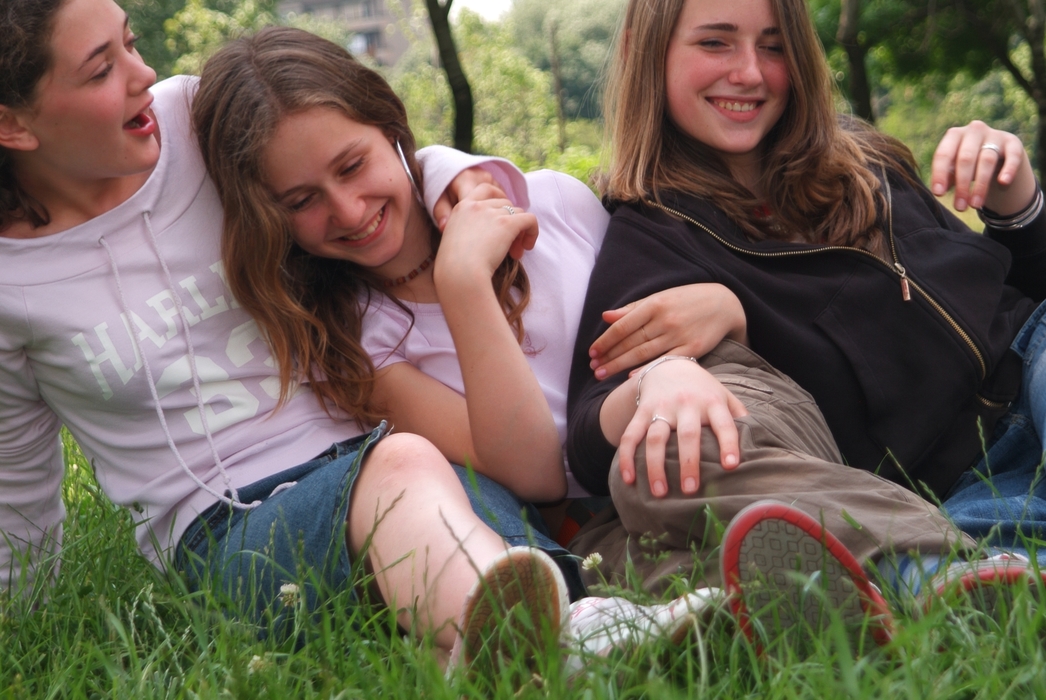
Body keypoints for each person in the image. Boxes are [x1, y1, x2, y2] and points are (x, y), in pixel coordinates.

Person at [0, 0, 691, 674]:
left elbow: (343, 132)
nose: (141, 72)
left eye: (129, 40)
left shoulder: (194, 121)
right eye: (99, 69)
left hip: (392, 450)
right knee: (406, 469)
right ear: (12, 124)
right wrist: (25, 633)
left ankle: (479, 650)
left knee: (425, 483)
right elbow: (16, 485)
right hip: (229, 528)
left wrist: (456, 176)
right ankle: (573, 630)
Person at [190, 26, 725, 667]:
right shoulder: (353, 350)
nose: (349, 209)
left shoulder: (554, 204)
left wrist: (727, 307)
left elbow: (667, 316)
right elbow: (534, 475)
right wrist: (464, 283)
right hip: (597, 533)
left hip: (694, 435)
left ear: (392, 126)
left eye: (353, 165)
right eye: (302, 201)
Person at [562, 0, 1046, 640]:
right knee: (680, 461)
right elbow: (594, 444)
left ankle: (941, 573)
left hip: (1030, 370)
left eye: (773, 45)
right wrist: (669, 370)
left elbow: (1013, 294)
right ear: (643, 53)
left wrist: (1020, 209)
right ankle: (948, 572)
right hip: (943, 490)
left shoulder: (865, 157)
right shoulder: (653, 235)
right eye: (715, 43)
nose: (750, 73)